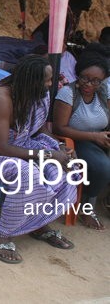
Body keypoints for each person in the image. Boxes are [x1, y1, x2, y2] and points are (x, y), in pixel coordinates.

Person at [0, 55, 77, 264]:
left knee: (65, 169)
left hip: (23, 145)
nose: (50, 84)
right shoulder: (2, 99)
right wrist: (46, 155)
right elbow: (1, 147)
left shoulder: (37, 95)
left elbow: (40, 126)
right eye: (46, 80)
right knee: (29, 175)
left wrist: (59, 147)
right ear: (31, 80)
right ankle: (2, 236)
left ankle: (38, 223)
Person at [53, 45, 110, 230]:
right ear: (78, 74)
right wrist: (94, 137)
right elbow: (59, 127)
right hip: (76, 140)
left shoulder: (102, 94)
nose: (89, 84)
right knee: (101, 166)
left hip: (99, 138)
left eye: (96, 81)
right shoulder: (68, 93)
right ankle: (87, 207)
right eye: (85, 78)